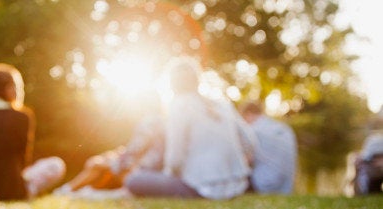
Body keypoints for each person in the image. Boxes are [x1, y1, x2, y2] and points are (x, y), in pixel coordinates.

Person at [124, 57, 256, 199]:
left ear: (172, 83)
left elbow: (175, 159)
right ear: (197, 80)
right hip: (238, 186)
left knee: (133, 180)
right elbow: (250, 142)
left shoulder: (179, 104)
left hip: (200, 187)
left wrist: (168, 176)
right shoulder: (222, 103)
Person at [0, 63, 65, 200]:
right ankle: (30, 189)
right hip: (11, 190)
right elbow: (23, 159)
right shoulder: (22, 117)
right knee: (56, 164)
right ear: (9, 88)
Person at [55, 93, 164, 197]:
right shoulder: (160, 121)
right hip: (145, 168)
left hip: (140, 169)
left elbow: (136, 149)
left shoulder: (150, 121)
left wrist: (119, 156)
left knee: (96, 163)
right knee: (104, 161)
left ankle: (68, 189)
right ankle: (75, 190)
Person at [241, 101, 297, 194]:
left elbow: (246, 160)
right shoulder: (285, 128)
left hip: (262, 185)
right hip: (286, 187)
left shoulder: (253, 130)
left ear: (248, 114)